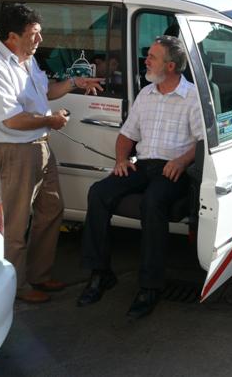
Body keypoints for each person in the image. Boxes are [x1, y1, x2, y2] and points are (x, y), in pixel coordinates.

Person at [0, 3, 104, 304]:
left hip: (39, 145)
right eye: (34, 34)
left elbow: (45, 92)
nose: (40, 40)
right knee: (17, 223)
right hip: (16, 149)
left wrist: (74, 83)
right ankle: (14, 287)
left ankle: (39, 276)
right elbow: (11, 120)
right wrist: (50, 120)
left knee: (52, 209)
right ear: (13, 36)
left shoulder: (24, 56)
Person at [77, 35, 203, 318]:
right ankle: (100, 273)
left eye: (152, 57)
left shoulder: (192, 96)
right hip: (143, 164)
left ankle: (150, 286)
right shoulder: (147, 93)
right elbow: (127, 134)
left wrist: (182, 161)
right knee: (99, 192)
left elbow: (202, 142)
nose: (146, 60)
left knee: (153, 202)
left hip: (173, 169)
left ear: (170, 66)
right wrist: (121, 159)